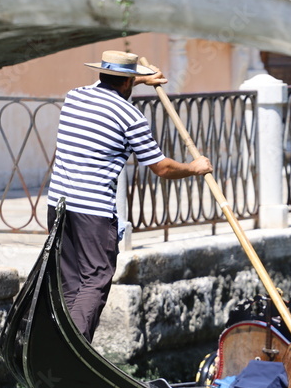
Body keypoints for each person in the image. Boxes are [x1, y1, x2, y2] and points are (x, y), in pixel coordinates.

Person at [46, 50, 213, 342]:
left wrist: (139, 80)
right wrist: (194, 167)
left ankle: (62, 338)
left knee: (71, 279)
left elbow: (115, 89)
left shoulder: (75, 96)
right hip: (92, 211)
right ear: (127, 82)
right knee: (96, 277)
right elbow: (161, 168)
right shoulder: (130, 116)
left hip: (58, 203)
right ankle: (73, 344)